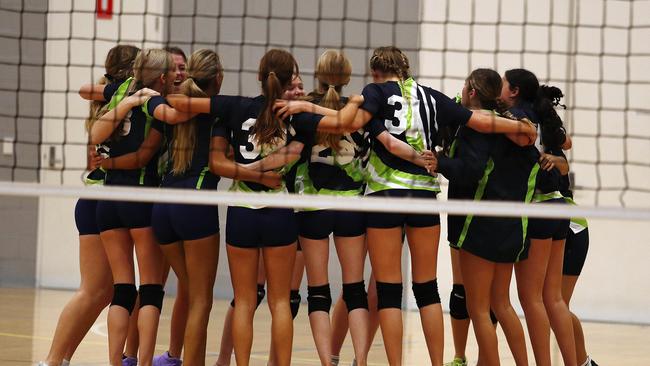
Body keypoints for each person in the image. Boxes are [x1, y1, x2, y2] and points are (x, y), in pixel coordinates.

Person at [39, 44, 139, 366]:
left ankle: (62, 358)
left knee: (102, 292)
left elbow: (92, 156)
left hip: (97, 198)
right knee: (93, 291)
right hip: (101, 199)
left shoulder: (109, 104)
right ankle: (52, 360)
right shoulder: (120, 101)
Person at [438, 69, 534, 366]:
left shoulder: (476, 128)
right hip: (510, 227)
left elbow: (470, 171)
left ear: (472, 92)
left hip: (480, 226)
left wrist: (439, 161)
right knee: (501, 304)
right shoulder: (516, 127)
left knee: (478, 308)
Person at [90, 48, 180, 366]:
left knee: (123, 289)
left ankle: (116, 363)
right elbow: (145, 155)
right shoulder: (158, 102)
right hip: (140, 198)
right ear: (162, 77)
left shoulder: (122, 95)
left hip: (109, 199)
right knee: (151, 288)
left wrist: (125, 102)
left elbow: (95, 134)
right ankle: (142, 363)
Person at [149, 48, 224, 366]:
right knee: (201, 301)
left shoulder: (168, 109)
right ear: (218, 79)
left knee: (192, 293)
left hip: (162, 207)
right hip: (195, 205)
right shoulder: (219, 112)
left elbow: (144, 154)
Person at [500, 68, 577, 366]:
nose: (501, 89)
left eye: (504, 85)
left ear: (515, 90)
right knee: (553, 297)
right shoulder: (545, 115)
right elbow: (565, 154)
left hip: (537, 209)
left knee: (531, 298)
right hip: (559, 207)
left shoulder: (517, 117)